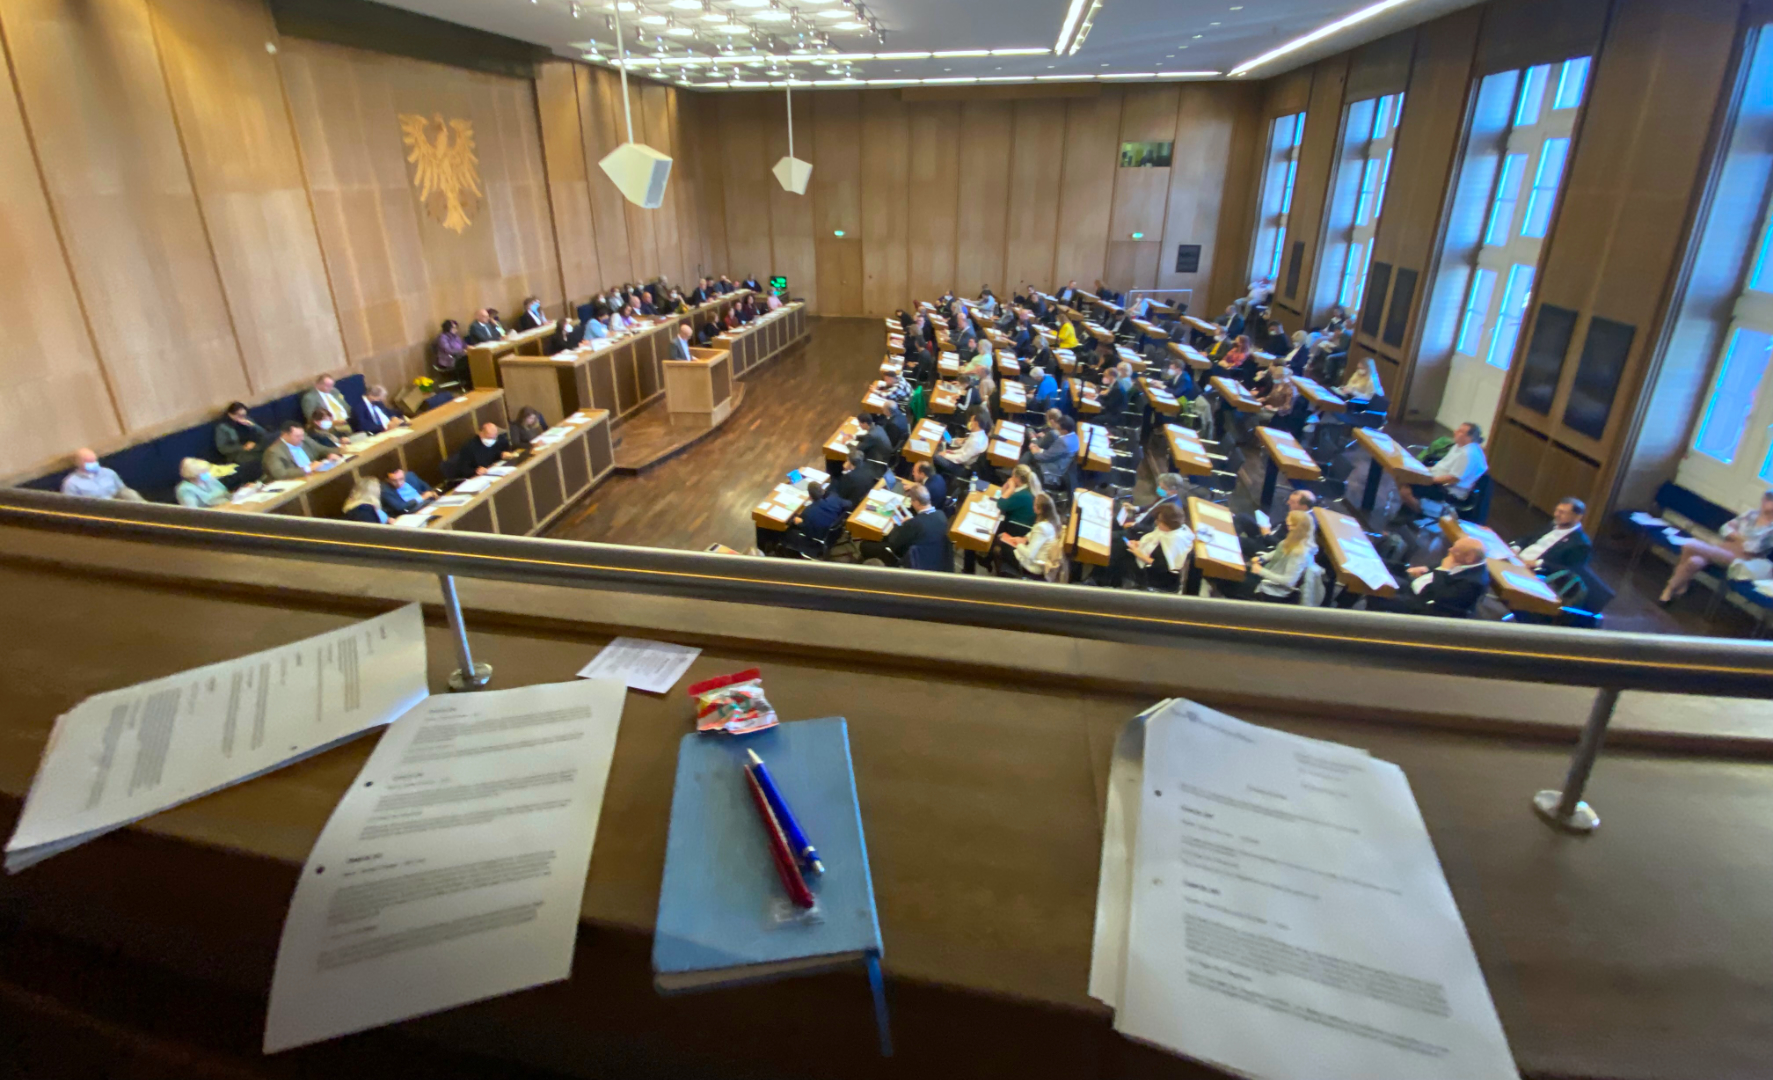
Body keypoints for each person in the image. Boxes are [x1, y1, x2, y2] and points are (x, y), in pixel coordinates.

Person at [1659, 490, 1773, 603]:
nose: (1764, 501)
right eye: (1765, 498)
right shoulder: (1751, 514)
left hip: (1741, 561)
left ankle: (1669, 588)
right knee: (1694, 562)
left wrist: (1735, 537)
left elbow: (1753, 548)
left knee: (1690, 545)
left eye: (1769, 500)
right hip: (1724, 549)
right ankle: (1681, 586)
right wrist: (1742, 539)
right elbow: (1725, 528)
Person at [1370, 537, 1491, 617]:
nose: (1450, 550)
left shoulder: (1474, 582)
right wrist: (1427, 568)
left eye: (1455, 550)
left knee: (1377, 595)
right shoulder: (1463, 560)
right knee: (1376, 579)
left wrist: (1444, 569)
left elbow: (1441, 596)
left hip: (1423, 605)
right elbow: (1438, 567)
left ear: (1469, 558)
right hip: (1416, 588)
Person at [1218, 509, 1318, 602]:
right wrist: (1262, 558)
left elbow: (1288, 581)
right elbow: (1279, 551)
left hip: (1269, 589)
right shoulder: (1293, 540)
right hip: (1266, 574)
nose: (1288, 528)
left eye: (1290, 526)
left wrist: (1261, 571)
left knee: (1224, 577)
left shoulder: (1300, 553)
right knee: (1229, 569)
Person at [1398, 422, 1488, 516]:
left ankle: (1418, 513)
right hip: (1436, 478)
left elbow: (1453, 478)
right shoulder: (1458, 446)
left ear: (1469, 437)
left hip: (1447, 489)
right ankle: (1407, 512)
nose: (1455, 432)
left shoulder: (1469, 454)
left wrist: (1427, 480)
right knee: (1403, 476)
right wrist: (1420, 469)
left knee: (1405, 490)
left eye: (1460, 431)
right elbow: (1443, 466)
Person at [860, 484, 949, 570]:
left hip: (903, 555)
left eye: (912, 501)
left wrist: (896, 525)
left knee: (865, 545)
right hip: (931, 555)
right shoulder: (941, 515)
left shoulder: (914, 524)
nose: (911, 503)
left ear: (917, 502)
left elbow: (893, 542)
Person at [1513, 498, 1592, 577]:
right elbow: (1527, 537)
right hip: (1516, 559)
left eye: (1562, 512)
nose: (1556, 514)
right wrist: (1516, 547)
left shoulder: (1581, 543)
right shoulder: (1551, 525)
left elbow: (1569, 571)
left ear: (1577, 517)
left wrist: (1538, 563)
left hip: (1536, 573)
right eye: (1557, 510)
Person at [1128, 502, 1193, 591]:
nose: (1156, 522)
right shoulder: (1171, 531)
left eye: (1159, 521)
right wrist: (1139, 543)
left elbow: (1162, 566)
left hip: (1156, 576)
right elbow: (1154, 541)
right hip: (1150, 562)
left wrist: (1140, 554)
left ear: (1167, 523)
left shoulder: (1174, 541)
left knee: (1118, 556)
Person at [1000, 492, 1064, 580]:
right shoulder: (1052, 522)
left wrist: (1018, 544)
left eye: (1035, 505)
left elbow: (1030, 555)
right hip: (1038, 559)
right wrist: (1024, 538)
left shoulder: (1042, 528)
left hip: (1032, 566)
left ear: (1040, 509)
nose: (1033, 506)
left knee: (1001, 545)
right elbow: (1034, 534)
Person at [1236, 489, 1317, 559]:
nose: (1288, 503)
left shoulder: (1304, 524)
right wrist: (1267, 528)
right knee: (1242, 518)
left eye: (1292, 502)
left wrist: (1267, 535)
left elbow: (1285, 546)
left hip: (1270, 548)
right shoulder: (1298, 512)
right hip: (1268, 534)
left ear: (1304, 507)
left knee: (1237, 541)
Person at [262, 420, 341, 481]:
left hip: (317, 475)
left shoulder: (304, 440)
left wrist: (341, 451)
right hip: (298, 482)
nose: (302, 438)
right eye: (297, 436)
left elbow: (322, 449)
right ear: (285, 435)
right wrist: (308, 468)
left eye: (302, 435)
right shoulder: (273, 452)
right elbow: (280, 474)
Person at [58, 448, 142, 501]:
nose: (93, 464)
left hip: (116, 504)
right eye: (89, 462)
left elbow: (123, 490)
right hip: (95, 510)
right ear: (78, 463)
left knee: (130, 494)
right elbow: (73, 506)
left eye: (94, 461)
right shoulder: (71, 483)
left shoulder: (108, 473)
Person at [788, 480, 852, 546]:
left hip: (822, 537)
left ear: (810, 496)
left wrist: (800, 523)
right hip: (837, 532)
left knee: (789, 532)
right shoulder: (833, 499)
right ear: (823, 491)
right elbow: (849, 504)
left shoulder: (808, 512)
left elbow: (807, 530)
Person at [1028, 412, 1078, 489]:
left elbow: (1043, 458)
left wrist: (1034, 451)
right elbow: (1053, 453)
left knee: (1026, 465)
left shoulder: (1063, 442)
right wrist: (1040, 450)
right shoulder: (1074, 437)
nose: (1057, 431)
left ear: (1065, 431)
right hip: (1060, 467)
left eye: (1058, 429)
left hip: (1051, 474)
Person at [936, 411, 989, 482]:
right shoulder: (981, 435)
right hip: (962, 459)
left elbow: (962, 458)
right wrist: (952, 452)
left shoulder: (975, 441)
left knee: (936, 456)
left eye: (971, 421)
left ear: (976, 423)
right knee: (942, 451)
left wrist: (945, 455)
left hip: (963, 468)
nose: (969, 423)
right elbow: (964, 450)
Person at [215, 402, 270, 467]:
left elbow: (264, 433)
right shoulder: (222, 427)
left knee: (271, 450)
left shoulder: (247, 419)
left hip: (254, 446)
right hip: (237, 453)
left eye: (244, 415)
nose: (242, 417)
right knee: (263, 457)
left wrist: (252, 425)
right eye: (239, 415)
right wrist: (243, 447)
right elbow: (222, 449)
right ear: (230, 415)